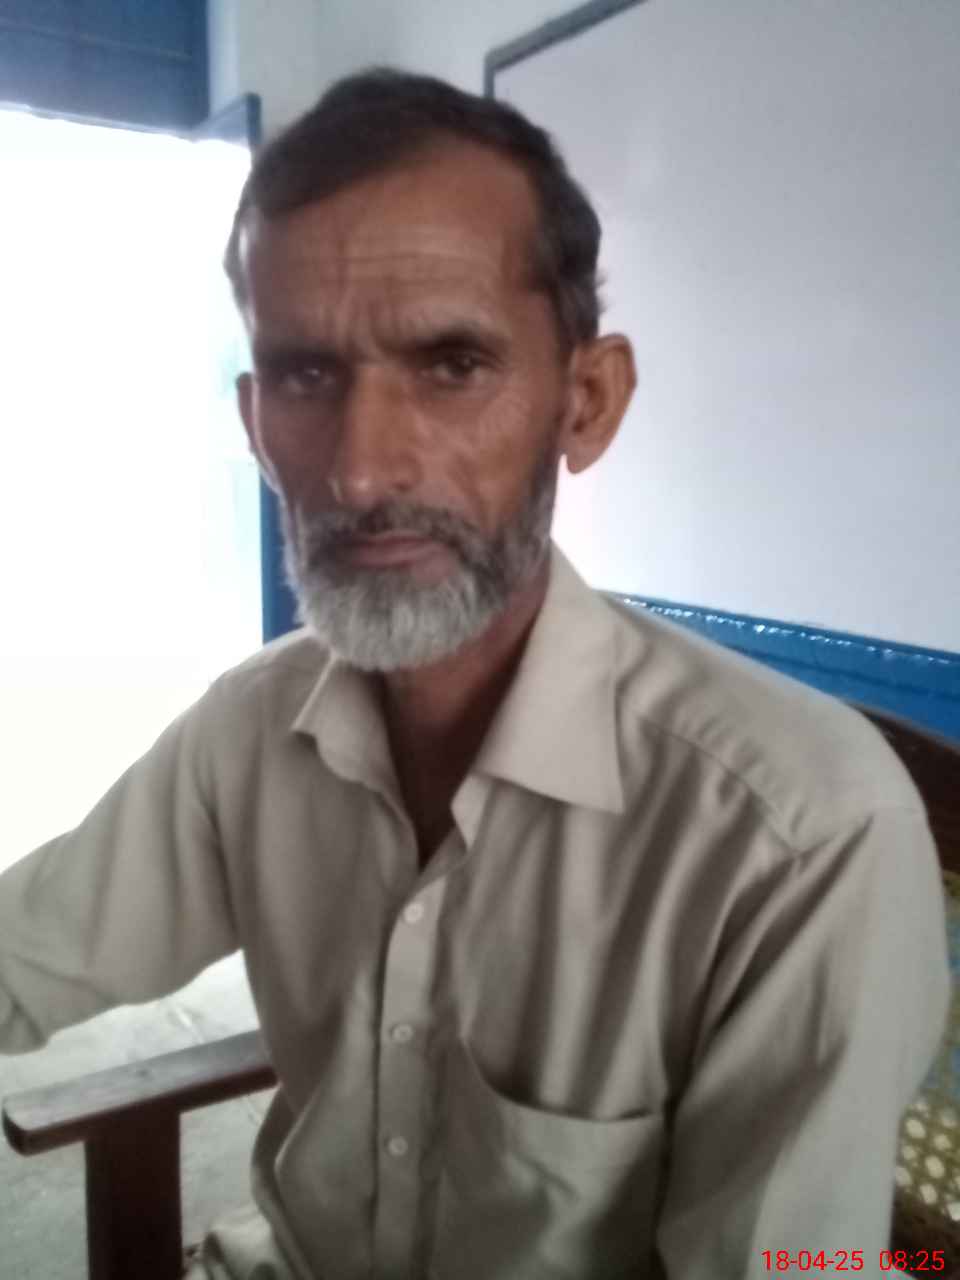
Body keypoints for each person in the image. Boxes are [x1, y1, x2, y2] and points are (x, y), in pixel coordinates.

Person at [0, 68, 949, 1280]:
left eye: (452, 364)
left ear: (585, 401)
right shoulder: (251, 728)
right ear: (255, 425)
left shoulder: (801, 836)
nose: (360, 470)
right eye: (305, 375)